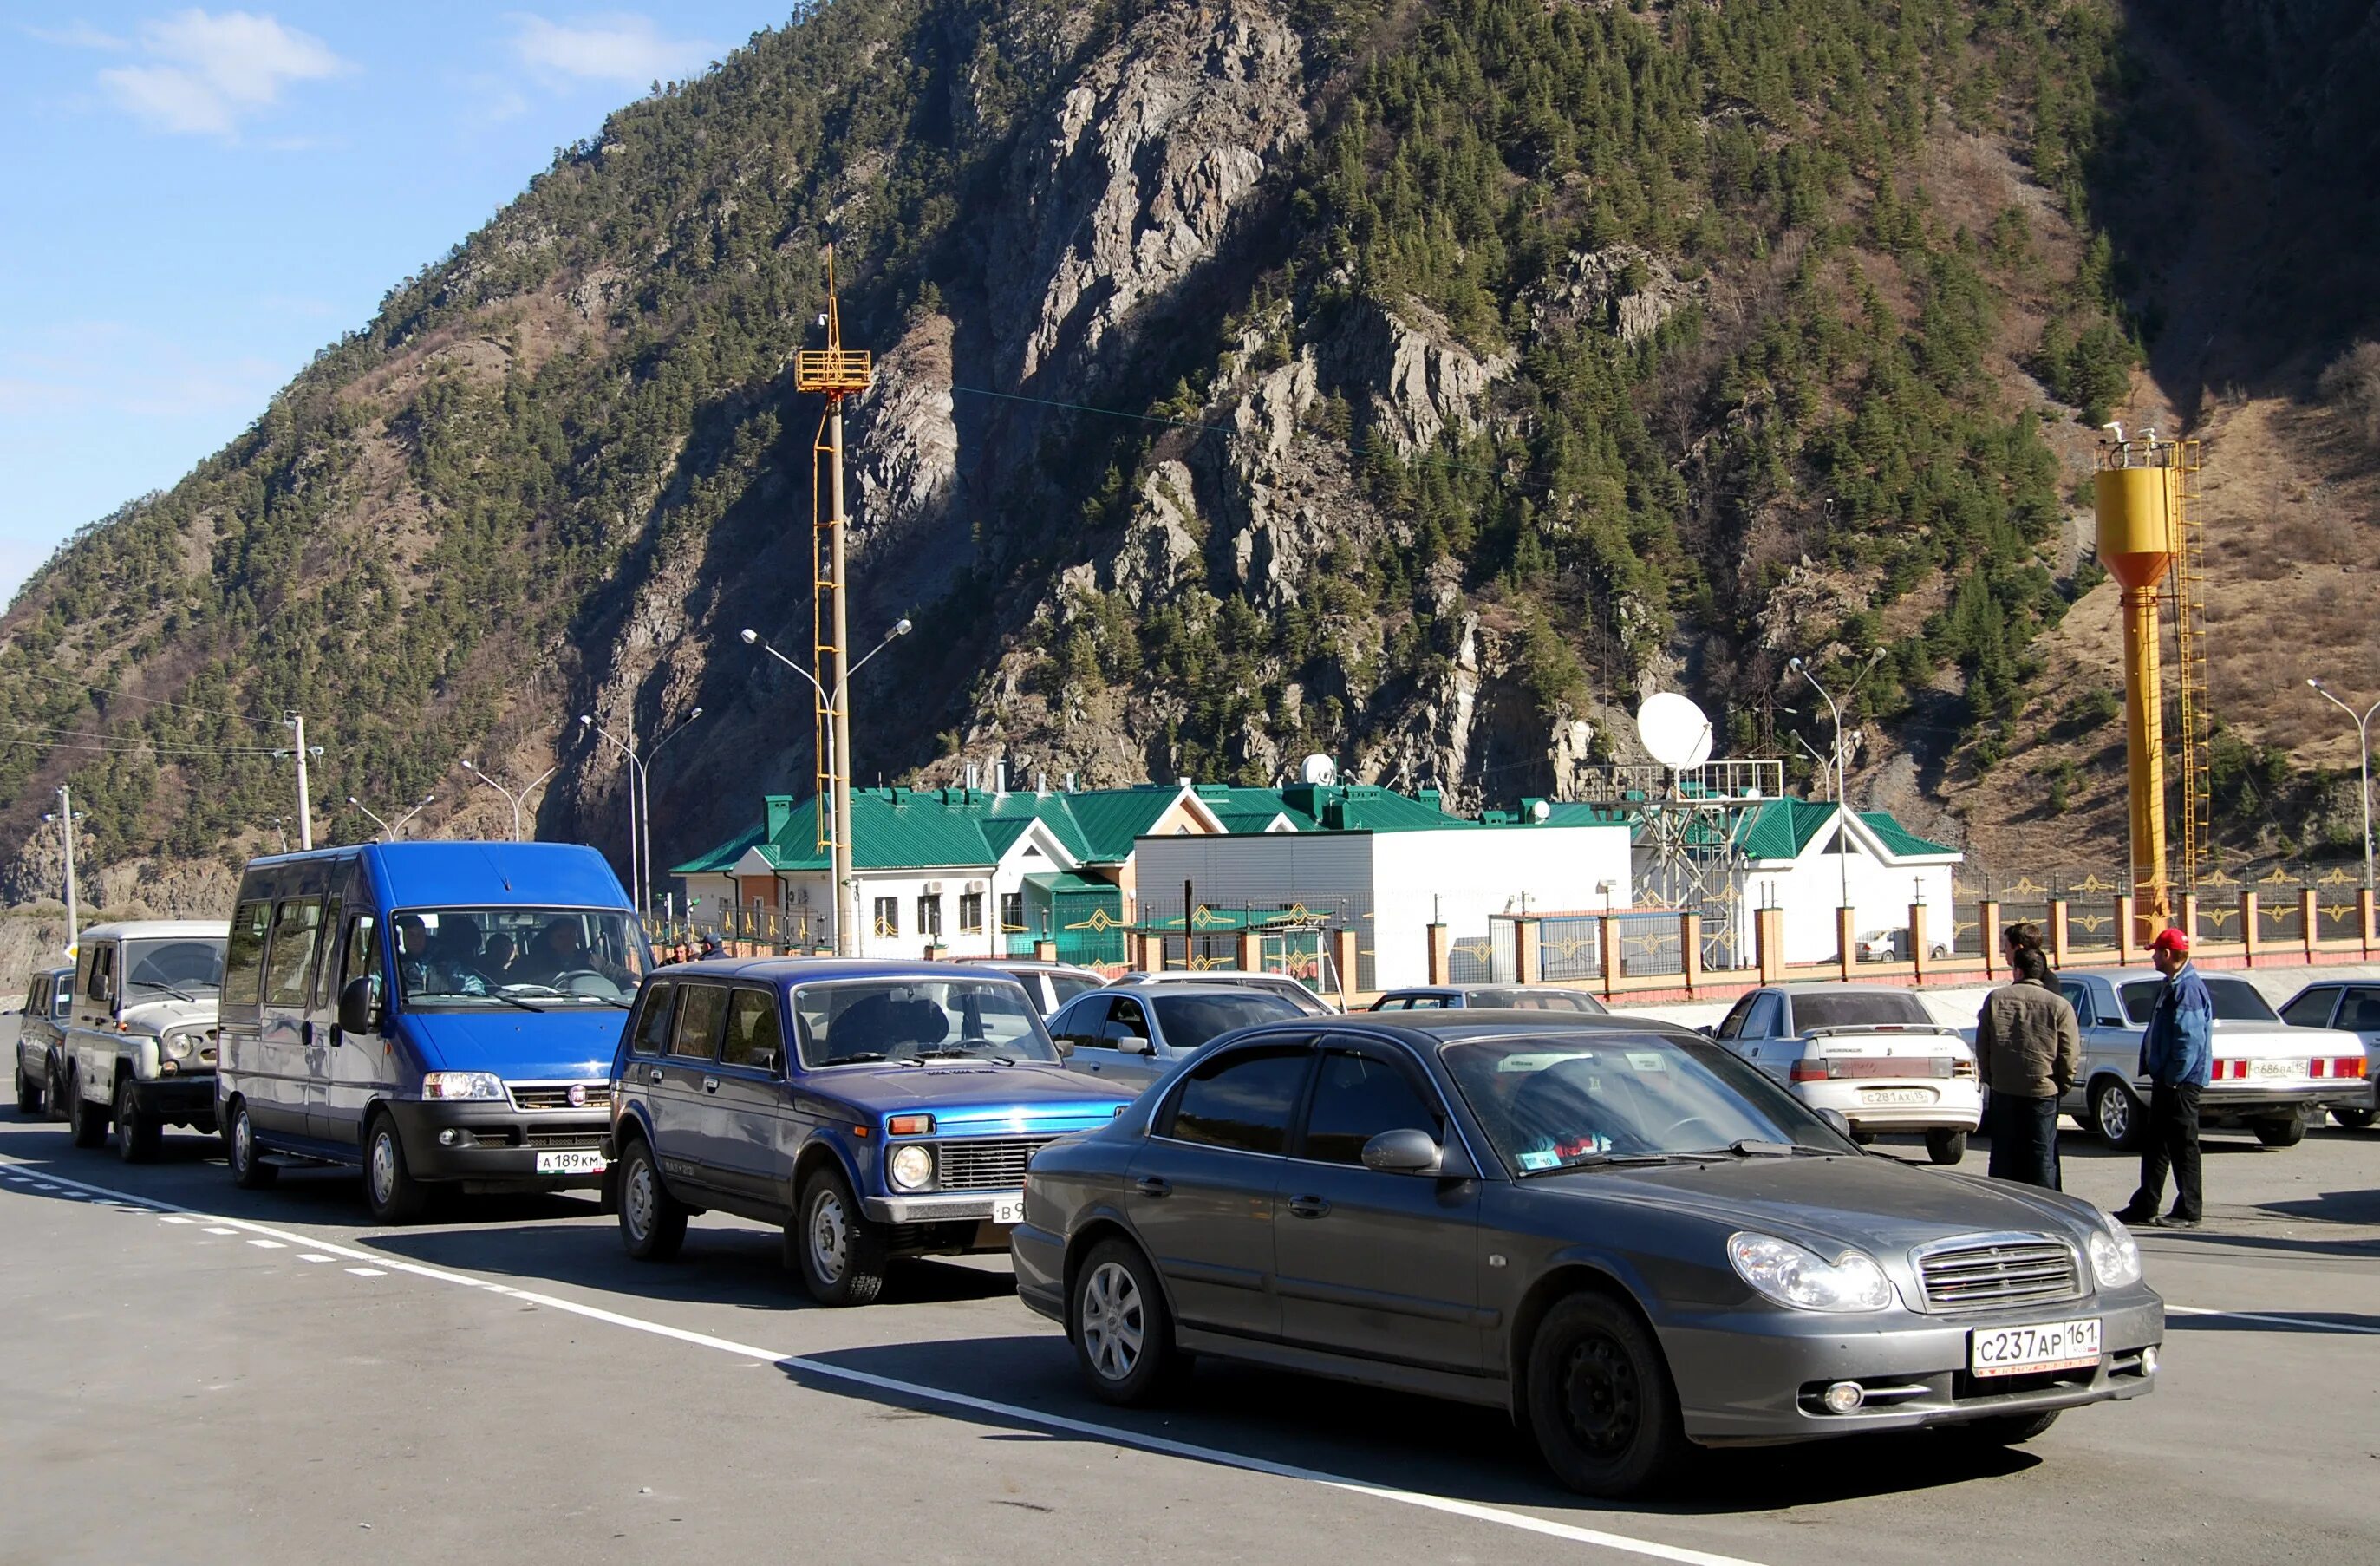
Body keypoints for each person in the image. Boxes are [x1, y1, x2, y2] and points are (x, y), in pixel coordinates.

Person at [2115, 927, 2213, 1229]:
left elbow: (2190, 1040)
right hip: (2167, 1079)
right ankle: (2145, 1204)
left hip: (2181, 1083)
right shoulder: (2172, 984)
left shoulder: (2187, 989)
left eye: (2156, 952)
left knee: (2183, 1146)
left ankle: (2189, 1210)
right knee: (2157, 1144)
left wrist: (2173, 1078)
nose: (2154, 957)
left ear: (2168, 954)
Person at [1974, 945, 2081, 1189]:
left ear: (2018, 971)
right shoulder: (2060, 1005)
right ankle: (2047, 1205)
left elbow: (1984, 1044)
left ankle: (2006, 1204)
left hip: (2005, 1088)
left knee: (2003, 1153)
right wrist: (2061, 1084)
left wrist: (1991, 1077)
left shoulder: (1995, 999)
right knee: (2042, 1155)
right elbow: (2069, 1052)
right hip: (2043, 1089)